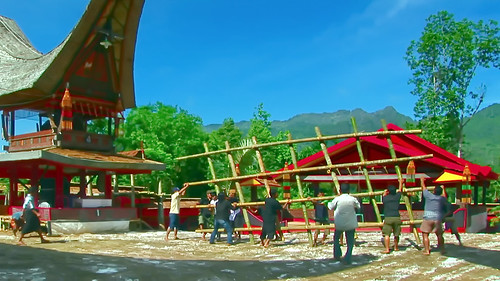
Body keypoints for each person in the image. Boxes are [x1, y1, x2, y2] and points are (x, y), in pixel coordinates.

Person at [328, 183, 360, 264]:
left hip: (339, 222)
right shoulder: (353, 199)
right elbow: (358, 206)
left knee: (336, 239)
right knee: (350, 241)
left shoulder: (337, 199)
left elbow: (331, 207)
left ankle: (337, 254)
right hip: (350, 222)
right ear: (349, 190)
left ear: (340, 190)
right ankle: (348, 257)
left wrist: (328, 203)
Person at [420, 178, 448, 255]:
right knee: (439, 235)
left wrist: (422, 181)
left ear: (434, 191)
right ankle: (442, 250)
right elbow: (444, 196)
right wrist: (443, 188)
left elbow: (423, 187)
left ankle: (427, 250)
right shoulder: (442, 199)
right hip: (437, 218)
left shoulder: (429, 196)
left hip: (428, 218)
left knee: (425, 234)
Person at [382, 178, 404, 254]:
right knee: (396, 234)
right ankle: (396, 247)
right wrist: (401, 182)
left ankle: (387, 249)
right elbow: (400, 190)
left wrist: (385, 192)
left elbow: (384, 194)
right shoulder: (397, 197)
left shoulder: (385, 198)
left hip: (388, 217)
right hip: (396, 216)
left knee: (387, 234)